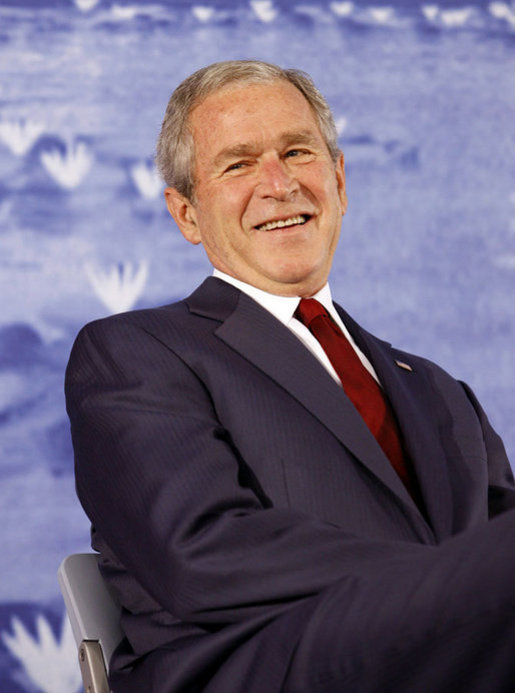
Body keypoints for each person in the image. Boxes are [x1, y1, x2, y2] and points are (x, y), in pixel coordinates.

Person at [65, 60, 515, 692]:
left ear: (338, 181)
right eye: (238, 164)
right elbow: (200, 553)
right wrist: (447, 582)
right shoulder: (135, 351)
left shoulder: (439, 391)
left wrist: (461, 588)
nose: (278, 184)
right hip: (263, 668)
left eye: (297, 152)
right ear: (187, 215)